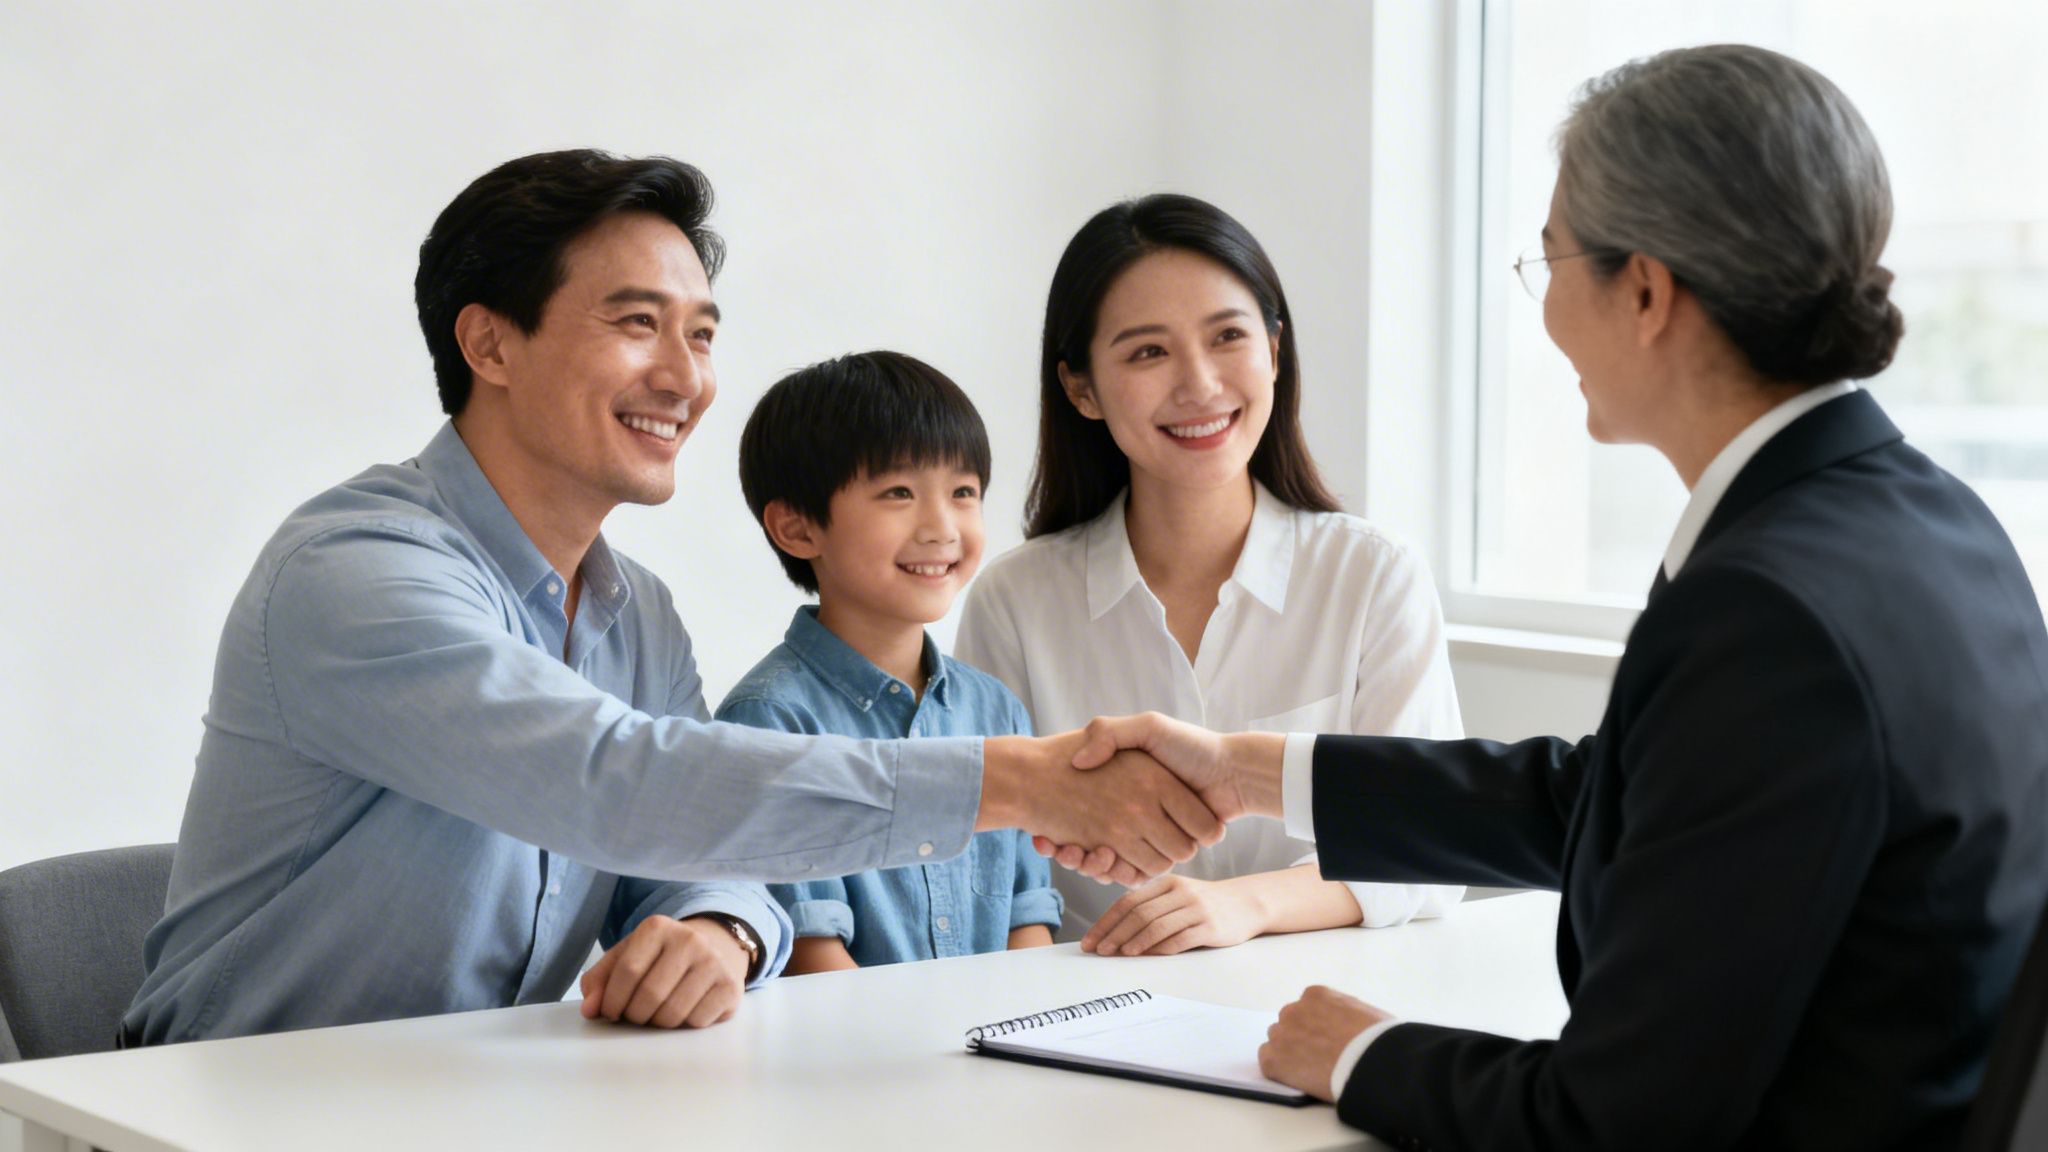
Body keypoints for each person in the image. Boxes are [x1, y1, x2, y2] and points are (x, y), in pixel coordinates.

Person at [1055, 46, 2048, 1151]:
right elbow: (1622, 802)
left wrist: (1358, 1052)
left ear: (1643, 290)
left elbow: (1613, 1121)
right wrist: (1249, 769)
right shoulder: (1935, 521)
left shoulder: (1767, 611)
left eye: (1547, 262)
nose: (1543, 310)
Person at [123, 150, 1219, 1046]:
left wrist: (718, 931)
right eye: (636, 324)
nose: (686, 377)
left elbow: (701, 863)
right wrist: (1022, 782)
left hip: (461, 1105)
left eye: (701, 333)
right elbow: (614, 784)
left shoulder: (632, 609)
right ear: (489, 341)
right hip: (225, 1114)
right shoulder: (357, 572)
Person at [955, 194, 1464, 952]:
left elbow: (1429, 847)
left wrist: (1248, 905)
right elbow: (980, 851)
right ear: (1082, 389)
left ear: (1275, 348)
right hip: (1086, 1009)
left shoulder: (1373, 577)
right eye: (1146, 352)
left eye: (1228, 336)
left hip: (1313, 1005)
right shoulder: (1016, 600)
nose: (1198, 384)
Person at [717, 351, 1059, 973]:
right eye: (899, 492)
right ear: (797, 529)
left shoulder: (996, 709)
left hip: (1002, 1051)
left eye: (963, 492)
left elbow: (1027, 914)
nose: (941, 526)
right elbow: (811, 953)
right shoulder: (769, 719)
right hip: (864, 1058)